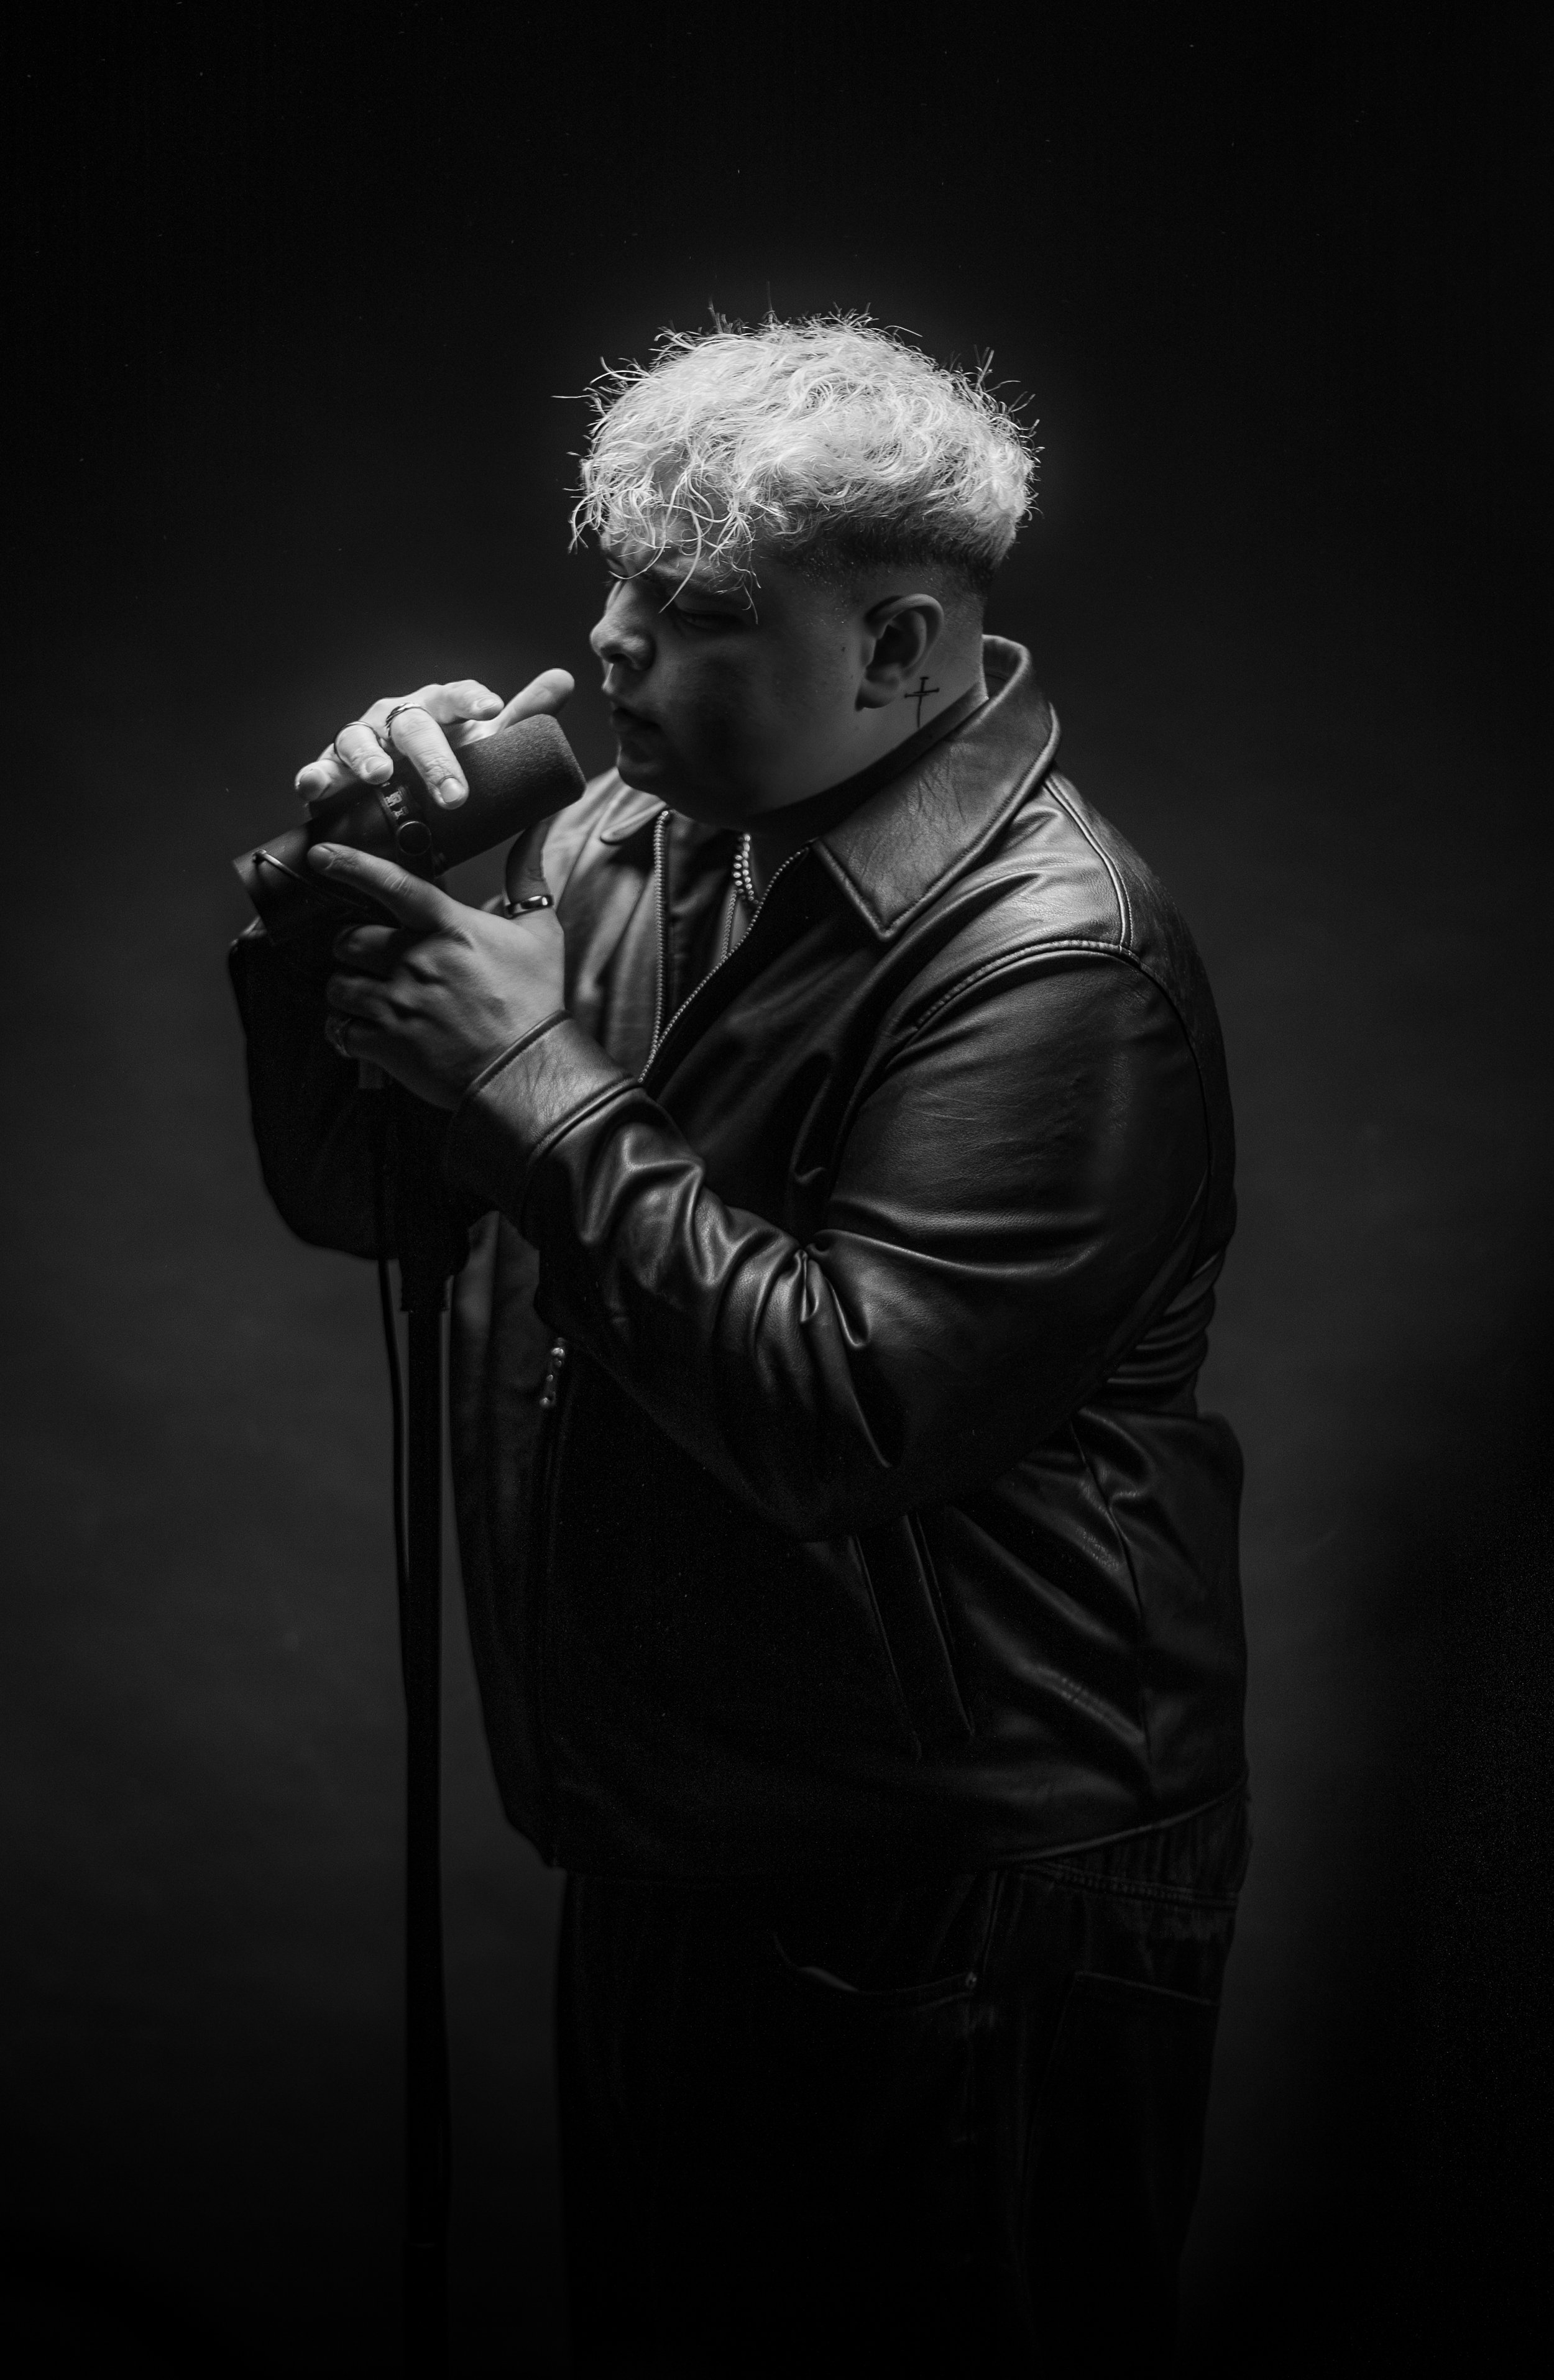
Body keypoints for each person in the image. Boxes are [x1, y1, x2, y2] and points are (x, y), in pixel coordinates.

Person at [231, 315, 1249, 2376]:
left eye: (693, 609)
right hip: (690, 1823)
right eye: (617, 582)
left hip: (962, 1876)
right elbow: (378, 1205)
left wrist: (522, 1068)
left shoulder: (1057, 959)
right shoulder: (624, 845)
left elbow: (842, 1416)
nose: (610, 642)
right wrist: (346, 899)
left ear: (894, 648)